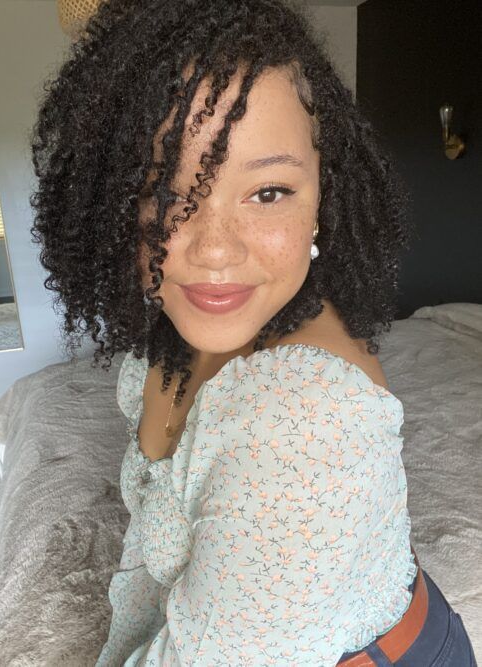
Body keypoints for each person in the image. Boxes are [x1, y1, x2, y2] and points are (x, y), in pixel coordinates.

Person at [29, 0, 478, 665]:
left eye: (267, 192)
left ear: (324, 195)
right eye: (164, 188)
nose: (213, 251)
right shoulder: (178, 329)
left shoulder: (302, 424)